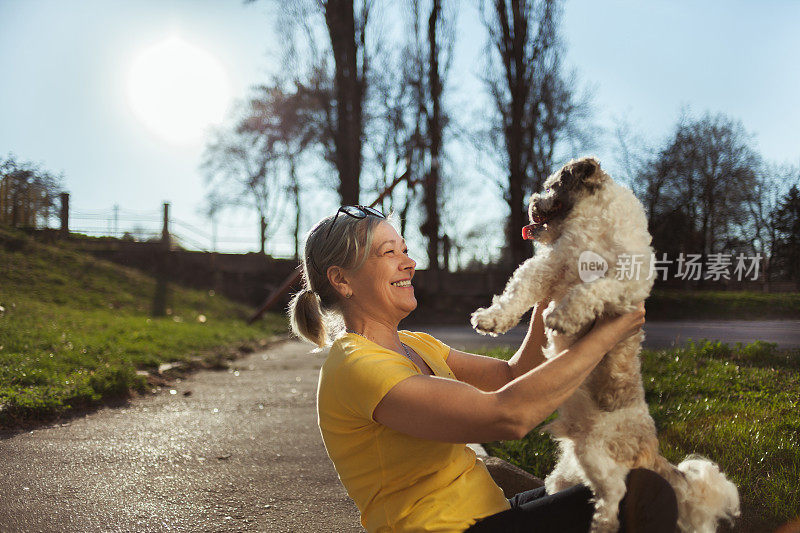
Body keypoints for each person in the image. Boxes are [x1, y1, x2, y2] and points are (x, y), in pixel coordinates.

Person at [289, 206, 678, 533]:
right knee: (640, 494)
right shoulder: (357, 366)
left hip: (487, 512)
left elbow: (512, 377)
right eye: (388, 252)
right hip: (446, 528)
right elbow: (507, 416)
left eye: (405, 249)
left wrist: (550, 289)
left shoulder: (416, 344)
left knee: (618, 473)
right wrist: (606, 336)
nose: (409, 262)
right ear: (341, 279)